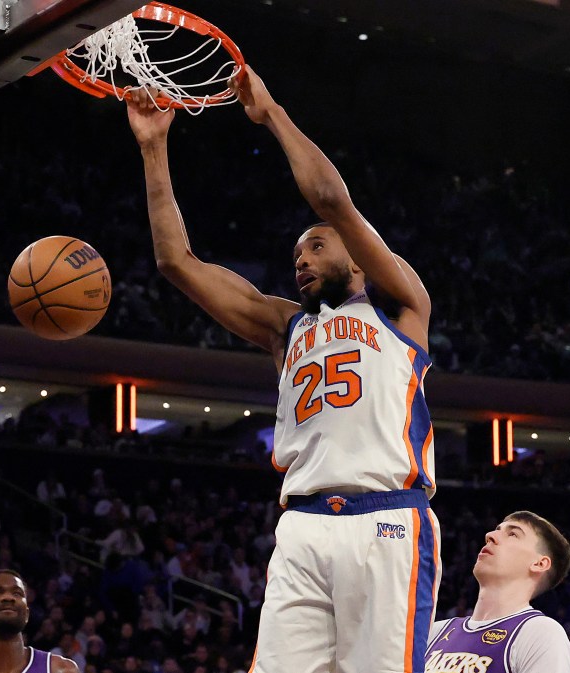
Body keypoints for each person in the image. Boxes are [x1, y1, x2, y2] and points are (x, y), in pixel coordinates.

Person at [127, 66, 440, 673]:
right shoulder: (284, 326)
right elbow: (175, 261)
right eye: (295, 254)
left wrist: (269, 113)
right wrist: (154, 146)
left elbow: (328, 199)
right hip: (301, 524)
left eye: (316, 247)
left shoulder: (402, 308)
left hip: (387, 518)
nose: (301, 258)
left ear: (357, 251)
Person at [423, 511, 570, 673]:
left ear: (539, 564)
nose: (490, 535)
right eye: (497, 529)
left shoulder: (540, 633)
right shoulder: (435, 632)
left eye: (513, 534)